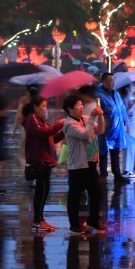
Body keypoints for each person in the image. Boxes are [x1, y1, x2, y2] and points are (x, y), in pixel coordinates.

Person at [62, 89, 106, 236]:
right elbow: (85, 134)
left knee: (96, 191)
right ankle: (74, 225)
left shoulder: (85, 119)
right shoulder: (69, 124)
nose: (81, 107)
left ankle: (93, 220)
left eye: (82, 104)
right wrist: (93, 117)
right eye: (78, 105)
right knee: (75, 194)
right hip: (78, 165)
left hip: (90, 162)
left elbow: (99, 131)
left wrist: (100, 117)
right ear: (70, 109)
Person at [22, 95, 64, 232]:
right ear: (35, 107)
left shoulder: (40, 120)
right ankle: (37, 220)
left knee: (44, 190)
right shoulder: (32, 118)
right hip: (40, 159)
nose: (45, 109)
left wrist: (63, 132)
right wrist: (59, 124)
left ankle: (40, 219)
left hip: (46, 159)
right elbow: (42, 133)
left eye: (46, 106)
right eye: (43, 106)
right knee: (42, 190)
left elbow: (51, 138)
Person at [96, 72, 129, 182]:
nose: (113, 83)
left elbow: (122, 109)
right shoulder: (99, 95)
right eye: (110, 81)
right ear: (104, 81)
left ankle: (117, 174)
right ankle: (103, 175)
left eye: (113, 80)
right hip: (105, 129)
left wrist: (125, 122)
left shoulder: (116, 94)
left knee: (115, 152)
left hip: (117, 128)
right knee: (103, 153)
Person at [12, 83, 40, 167]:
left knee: (23, 152)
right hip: (38, 127)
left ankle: (26, 170)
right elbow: (45, 115)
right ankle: (36, 169)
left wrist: (14, 130)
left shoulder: (23, 100)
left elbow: (19, 116)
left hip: (26, 128)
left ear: (27, 90)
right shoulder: (41, 100)